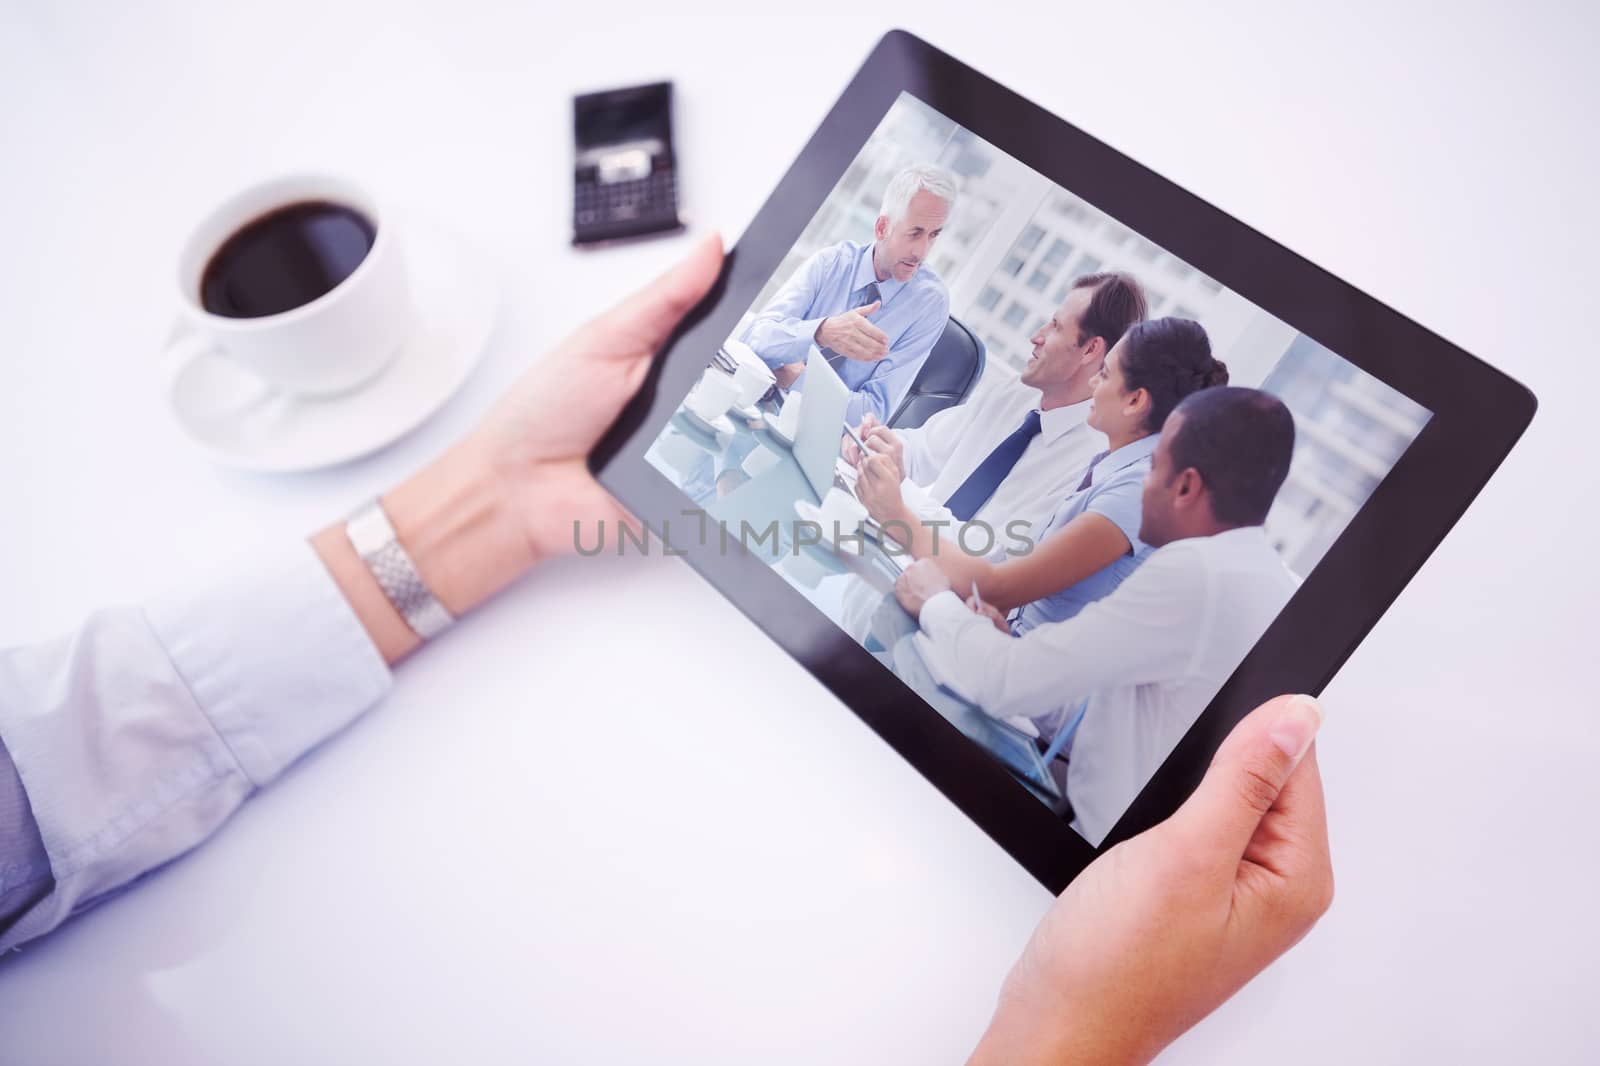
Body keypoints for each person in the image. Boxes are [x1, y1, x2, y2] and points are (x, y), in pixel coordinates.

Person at [0, 238, 1332, 1063]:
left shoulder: (1149, 529)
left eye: (1095, 370)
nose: (1054, 350)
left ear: (1154, 423)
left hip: (1041, 767)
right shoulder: (1086, 460)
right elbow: (967, 540)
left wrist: (926, 566)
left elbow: (1009, 652)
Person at [895, 386, 1302, 846]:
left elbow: (1003, 683)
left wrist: (935, 601)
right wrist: (1009, 648)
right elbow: (1111, 721)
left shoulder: (1198, 573)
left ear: (1185, 486)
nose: (1139, 486)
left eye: (1152, 467)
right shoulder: (1254, 577)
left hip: (1075, 850)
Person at [917, 317, 1228, 635]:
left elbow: (999, 587)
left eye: (1104, 375)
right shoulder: (1111, 467)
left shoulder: (1135, 493)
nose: (1093, 386)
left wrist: (896, 513)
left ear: (1135, 400)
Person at [848, 272, 1148, 558]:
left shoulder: (1089, 467)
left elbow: (990, 555)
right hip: (894, 550)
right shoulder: (1016, 392)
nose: (1036, 336)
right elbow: (923, 451)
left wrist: (899, 495)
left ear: (1090, 350)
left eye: (1055, 326)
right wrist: (882, 447)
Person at [740, 163, 955, 425]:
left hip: (822, 440)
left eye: (933, 235)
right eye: (914, 233)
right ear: (881, 228)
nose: (922, 252)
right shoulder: (831, 263)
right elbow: (754, 339)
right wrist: (822, 332)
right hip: (756, 410)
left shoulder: (929, 305)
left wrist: (796, 379)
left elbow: (871, 415)